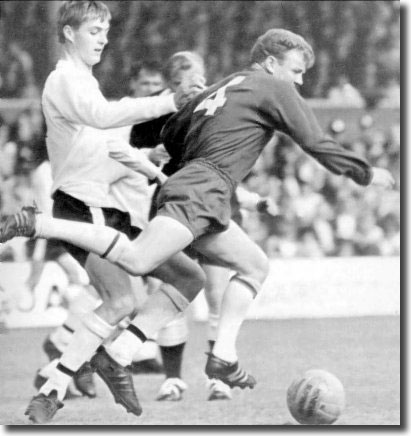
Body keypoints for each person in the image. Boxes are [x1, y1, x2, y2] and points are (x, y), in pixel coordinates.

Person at [1, 28, 395, 423]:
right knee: (135, 267)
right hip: (183, 195)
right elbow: (315, 140)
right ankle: (41, 227)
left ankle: (187, 356)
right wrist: (364, 174)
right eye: (297, 69)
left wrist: (176, 171)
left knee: (237, 269)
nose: (301, 80)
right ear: (272, 62)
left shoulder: (219, 89)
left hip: (195, 190)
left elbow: (173, 137)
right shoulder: (271, 87)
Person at [0, 0, 205, 424]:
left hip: (106, 209)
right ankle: (63, 383)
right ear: (70, 33)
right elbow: (101, 116)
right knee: (120, 300)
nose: (105, 39)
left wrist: (155, 170)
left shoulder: (84, 80)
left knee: (183, 279)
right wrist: (167, 100)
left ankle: (84, 371)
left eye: (106, 31)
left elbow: (109, 145)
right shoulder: (63, 80)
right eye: (96, 31)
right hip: (81, 207)